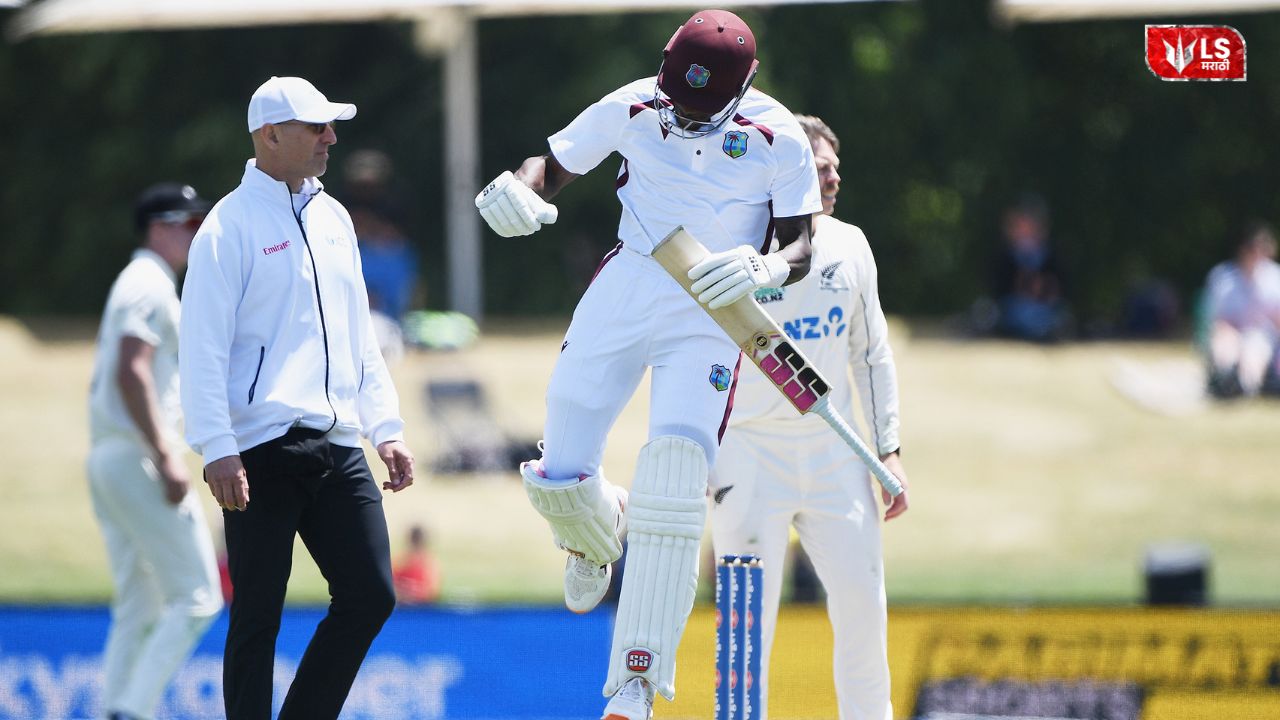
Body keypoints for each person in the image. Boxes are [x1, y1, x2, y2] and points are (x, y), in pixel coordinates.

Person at [474, 10, 821, 718]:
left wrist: (761, 267)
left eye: (701, 111)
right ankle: (591, 534)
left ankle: (636, 680)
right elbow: (554, 164)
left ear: (742, 86)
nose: (682, 119)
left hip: (712, 305)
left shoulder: (778, 136)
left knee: (675, 469)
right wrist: (520, 189)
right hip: (631, 279)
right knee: (562, 451)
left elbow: (800, 246)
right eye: (677, 102)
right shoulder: (635, 102)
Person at [179, 76, 416, 720]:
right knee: (257, 614)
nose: (330, 139)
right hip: (257, 448)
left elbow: (358, 333)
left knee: (370, 596)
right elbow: (199, 348)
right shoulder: (226, 227)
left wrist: (385, 426)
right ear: (270, 135)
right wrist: (217, 446)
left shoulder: (334, 216)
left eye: (330, 126)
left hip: (337, 442)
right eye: (317, 127)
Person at [708, 114, 909, 720]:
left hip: (834, 456)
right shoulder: (734, 245)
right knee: (744, 631)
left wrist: (889, 449)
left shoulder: (851, 245)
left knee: (863, 612)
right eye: (820, 166)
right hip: (747, 456)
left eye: (835, 166)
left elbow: (871, 353)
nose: (832, 176)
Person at [87, 182, 224, 720]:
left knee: (139, 605)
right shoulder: (148, 283)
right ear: (159, 227)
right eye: (188, 225)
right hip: (138, 456)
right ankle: (131, 712)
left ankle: (114, 711)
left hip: (110, 456)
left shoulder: (138, 281)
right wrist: (166, 454)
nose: (196, 234)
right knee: (198, 599)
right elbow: (132, 369)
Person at [1202, 221, 1280, 398]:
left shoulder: (1275, 278)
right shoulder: (1223, 276)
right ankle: (1224, 376)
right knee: (1226, 342)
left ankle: (1244, 384)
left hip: (1264, 335)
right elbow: (1218, 319)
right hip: (1232, 331)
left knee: (1255, 345)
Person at [989, 193, 1071, 342]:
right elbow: (1000, 292)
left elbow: (1060, 289)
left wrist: (1043, 291)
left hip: (1045, 310)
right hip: (1015, 310)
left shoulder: (1052, 256)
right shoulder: (1005, 257)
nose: (1025, 231)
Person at [392, 524, 442, 604]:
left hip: (421, 609)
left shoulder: (429, 563)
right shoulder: (401, 561)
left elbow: (432, 593)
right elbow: (392, 587)